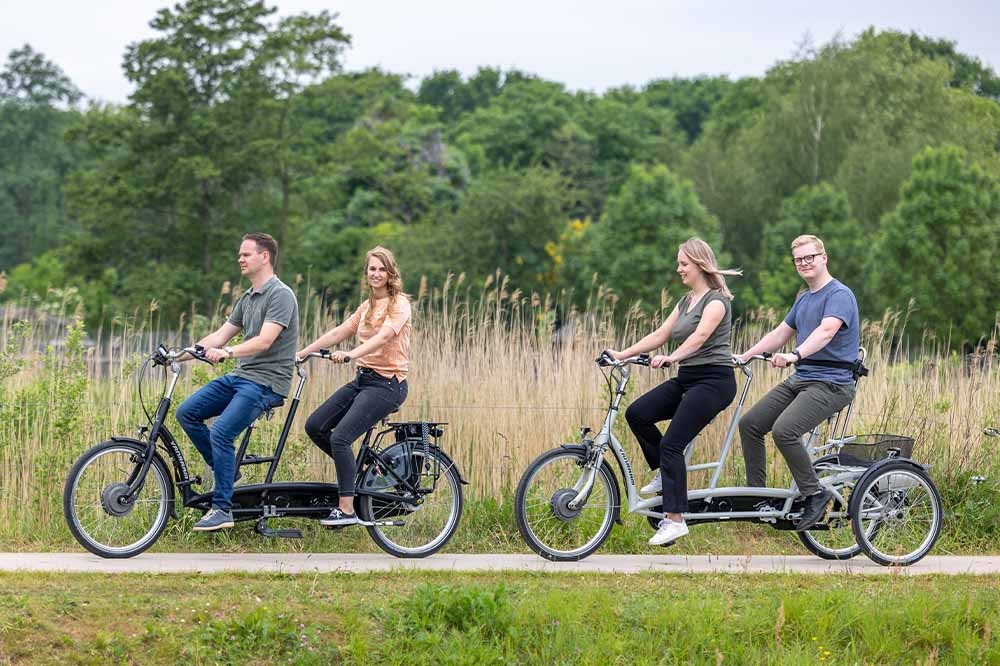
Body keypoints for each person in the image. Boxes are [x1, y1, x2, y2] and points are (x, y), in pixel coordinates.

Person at [606, 238, 741, 546]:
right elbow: (660, 334)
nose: (678, 269)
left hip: (714, 382)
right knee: (637, 413)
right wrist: (622, 354)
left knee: (671, 445)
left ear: (700, 265)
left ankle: (675, 520)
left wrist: (673, 357)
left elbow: (701, 336)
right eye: (678, 263)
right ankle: (663, 475)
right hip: (688, 379)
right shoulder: (685, 301)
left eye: (683, 264)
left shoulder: (716, 301)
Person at [735, 234, 860, 531]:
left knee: (785, 430)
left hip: (832, 384)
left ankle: (813, 493)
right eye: (798, 260)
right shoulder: (804, 298)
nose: (804, 263)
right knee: (750, 424)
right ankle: (759, 497)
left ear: (824, 258)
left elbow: (827, 331)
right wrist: (746, 355)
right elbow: (780, 332)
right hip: (802, 379)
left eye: (809, 257)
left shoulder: (839, 295)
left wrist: (796, 354)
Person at [176, 232, 299, 531]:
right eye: (240, 255)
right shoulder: (247, 297)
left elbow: (265, 341)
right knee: (187, 412)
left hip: (266, 382)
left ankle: (222, 509)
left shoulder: (281, 295)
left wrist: (227, 353)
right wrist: (180, 354)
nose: (240, 259)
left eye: (246, 254)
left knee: (220, 432)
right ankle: (228, 474)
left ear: (264, 256)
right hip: (241, 377)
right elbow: (219, 336)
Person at [297, 246, 411, 527]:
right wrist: (302, 353)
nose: (376, 274)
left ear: (390, 273)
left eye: (381, 269)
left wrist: (351, 354)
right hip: (363, 380)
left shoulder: (400, 304)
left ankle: (347, 510)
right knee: (315, 426)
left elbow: (384, 337)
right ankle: (361, 472)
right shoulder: (367, 306)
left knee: (341, 438)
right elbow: (338, 332)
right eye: (372, 269)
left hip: (388, 384)